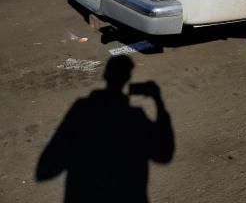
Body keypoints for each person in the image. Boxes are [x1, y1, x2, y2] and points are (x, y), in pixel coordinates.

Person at [36, 55, 174, 203]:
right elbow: (164, 154)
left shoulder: (82, 109)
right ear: (128, 78)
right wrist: (158, 101)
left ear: (106, 75)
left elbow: (47, 166)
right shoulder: (135, 117)